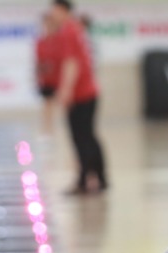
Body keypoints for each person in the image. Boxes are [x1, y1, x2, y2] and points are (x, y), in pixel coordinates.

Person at [51, 0, 107, 194]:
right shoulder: (75, 29)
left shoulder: (68, 30)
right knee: (88, 136)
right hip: (88, 92)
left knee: (82, 138)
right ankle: (99, 177)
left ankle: (86, 179)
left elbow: (71, 63)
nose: (53, 15)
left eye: (55, 10)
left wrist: (66, 91)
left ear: (63, 10)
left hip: (81, 94)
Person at [34, 13, 61, 135]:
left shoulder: (60, 41)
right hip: (46, 78)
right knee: (47, 103)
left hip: (59, 77)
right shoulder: (40, 42)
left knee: (60, 102)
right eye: (46, 24)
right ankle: (47, 127)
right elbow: (38, 61)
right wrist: (38, 75)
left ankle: (59, 125)